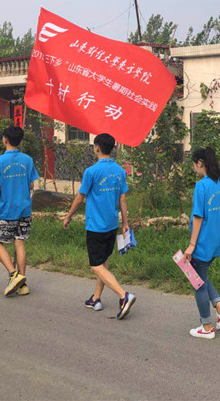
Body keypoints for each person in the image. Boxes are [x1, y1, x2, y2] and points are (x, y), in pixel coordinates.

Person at [63, 133, 135, 320]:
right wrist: (125, 223)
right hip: (112, 224)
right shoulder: (119, 171)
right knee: (103, 262)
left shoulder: (92, 172)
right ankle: (96, 298)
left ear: (96, 147)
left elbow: (80, 197)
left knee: (96, 266)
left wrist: (68, 216)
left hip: (96, 226)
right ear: (113, 148)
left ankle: (123, 295)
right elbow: (123, 199)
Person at [0, 126, 40, 297]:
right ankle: (23, 285)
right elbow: (31, 184)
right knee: (19, 242)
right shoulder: (27, 160)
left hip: (5, 210)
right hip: (24, 208)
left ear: (5, 139)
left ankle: (13, 275)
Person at [185, 147, 220, 340]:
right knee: (200, 276)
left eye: (194, 164)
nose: (194, 167)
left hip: (202, 242)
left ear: (200, 163)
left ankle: (206, 326)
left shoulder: (202, 186)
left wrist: (192, 245)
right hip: (216, 241)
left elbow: (198, 216)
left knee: (198, 283)